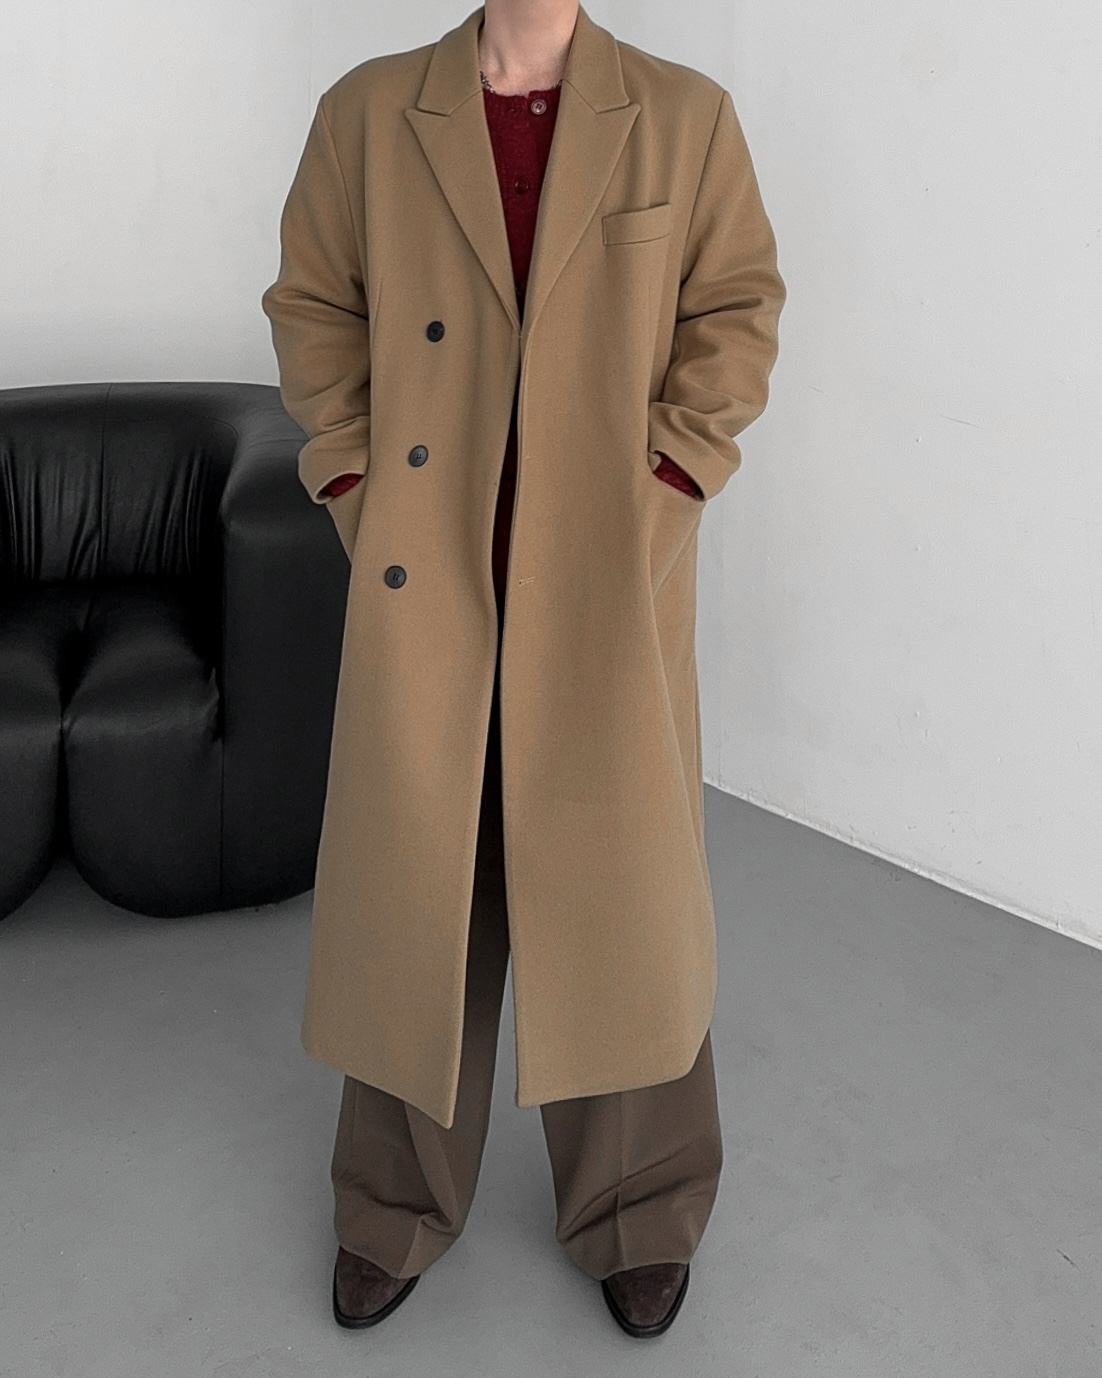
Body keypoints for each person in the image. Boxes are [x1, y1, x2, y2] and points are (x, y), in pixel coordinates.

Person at [261, 0, 785, 1339]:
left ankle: (639, 1206)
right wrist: (354, 478)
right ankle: (391, 1203)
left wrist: (671, 480)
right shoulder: (368, 110)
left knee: (616, 887)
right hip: (425, 576)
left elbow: (734, 308)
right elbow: (314, 306)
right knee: (418, 885)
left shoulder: (682, 115)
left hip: (600, 583)